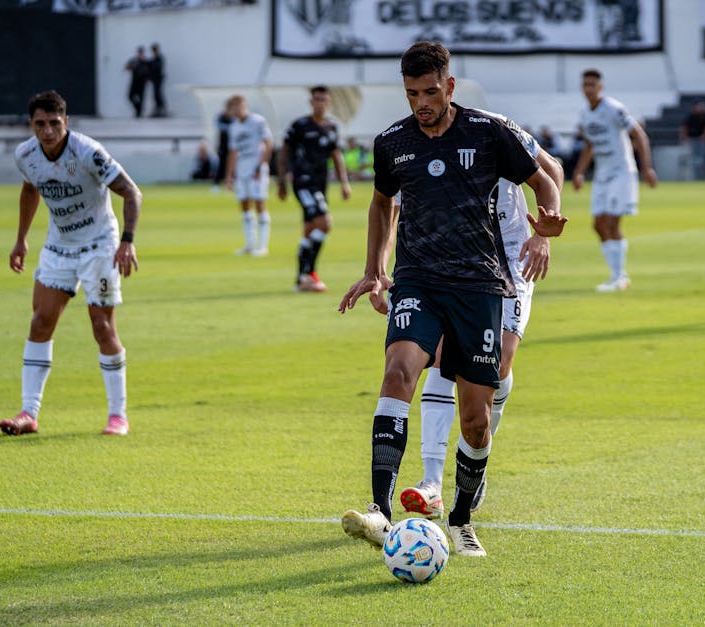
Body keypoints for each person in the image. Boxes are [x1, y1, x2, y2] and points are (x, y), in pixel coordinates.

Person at [336, 41, 565, 558]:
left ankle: (461, 517)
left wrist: (544, 230)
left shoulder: (489, 132)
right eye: (413, 93)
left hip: (481, 283)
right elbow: (381, 205)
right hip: (418, 278)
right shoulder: (392, 142)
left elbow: (545, 178)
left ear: (450, 86)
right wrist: (375, 271)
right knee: (399, 370)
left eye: (431, 92)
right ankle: (379, 509)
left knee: (477, 417)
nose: (422, 102)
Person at [398, 114, 565, 522]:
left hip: (510, 257)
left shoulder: (496, 128)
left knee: (499, 364)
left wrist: (541, 233)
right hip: (460, 263)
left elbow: (553, 170)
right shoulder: (419, 140)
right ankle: (432, 482)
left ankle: (478, 452)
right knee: (441, 355)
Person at [0, 90, 142, 437]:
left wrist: (127, 242)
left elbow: (131, 192)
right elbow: (31, 190)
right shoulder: (26, 155)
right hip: (59, 246)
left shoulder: (88, 153)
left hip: (99, 245)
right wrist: (21, 238)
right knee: (40, 321)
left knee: (102, 328)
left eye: (54, 124)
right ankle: (28, 413)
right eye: (40, 124)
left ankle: (117, 415)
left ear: (66, 122)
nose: (47, 131)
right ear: (31, 124)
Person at [572, 68, 657, 292]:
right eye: (585, 84)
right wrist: (579, 172)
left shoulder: (613, 108)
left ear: (600, 87)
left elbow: (638, 134)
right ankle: (615, 275)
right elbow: (589, 145)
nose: (588, 88)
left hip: (621, 172)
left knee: (611, 221)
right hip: (602, 174)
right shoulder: (584, 113)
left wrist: (646, 167)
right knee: (598, 225)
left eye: (592, 84)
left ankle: (620, 277)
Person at [277, 85, 351, 291]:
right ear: (311, 102)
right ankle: (308, 274)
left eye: (323, 100)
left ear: (329, 103)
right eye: (316, 99)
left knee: (309, 230)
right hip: (303, 182)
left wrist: (344, 183)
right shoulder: (300, 126)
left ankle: (301, 279)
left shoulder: (332, 127)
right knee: (325, 223)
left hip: (320, 183)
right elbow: (284, 152)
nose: (320, 103)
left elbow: (336, 155)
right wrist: (281, 181)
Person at [223, 94, 274, 257]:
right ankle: (250, 244)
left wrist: (261, 165)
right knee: (244, 205)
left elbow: (268, 144)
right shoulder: (234, 127)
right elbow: (233, 152)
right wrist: (229, 176)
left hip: (255, 167)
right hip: (242, 169)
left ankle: (263, 245)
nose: (238, 109)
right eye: (234, 106)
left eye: (240, 105)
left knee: (259, 204)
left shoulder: (258, 121)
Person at [679, 99, 705, 180]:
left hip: (702, 141)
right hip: (693, 140)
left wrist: (704, 136)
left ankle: (702, 177)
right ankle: (696, 178)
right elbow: (684, 128)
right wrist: (684, 138)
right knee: (695, 160)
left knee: (702, 160)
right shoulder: (690, 116)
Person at [212, 100, 233, 191]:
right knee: (221, 165)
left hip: (233, 147)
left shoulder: (234, 118)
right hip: (223, 146)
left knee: (233, 166)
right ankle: (216, 184)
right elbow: (220, 127)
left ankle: (230, 183)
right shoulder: (221, 117)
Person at [125, 47, 148, 118]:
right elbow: (126, 67)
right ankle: (137, 109)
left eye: (141, 52)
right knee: (130, 96)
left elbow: (149, 70)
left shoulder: (145, 61)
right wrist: (132, 66)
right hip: (134, 82)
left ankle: (139, 113)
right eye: (139, 52)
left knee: (141, 98)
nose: (140, 54)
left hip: (142, 82)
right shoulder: (134, 60)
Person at [148, 43, 168, 117]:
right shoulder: (154, 58)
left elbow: (157, 67)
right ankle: (158, 109)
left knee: (158, 94)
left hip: (158, 79)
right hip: (155, 79)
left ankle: (161, 110)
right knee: (156, 95)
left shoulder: (159, 58)